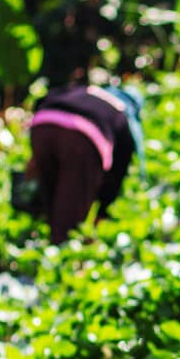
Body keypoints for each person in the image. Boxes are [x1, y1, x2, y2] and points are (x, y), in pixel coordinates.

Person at [25, 84, 146, 245]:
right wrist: (102, 212)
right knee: (68, 217)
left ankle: (36, 239)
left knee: (48, 196)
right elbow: (117, 173)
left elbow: (44, 99)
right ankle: (61, 255)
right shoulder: (123, 114)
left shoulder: (85, 89)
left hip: (43, 123)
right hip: (83, 137)